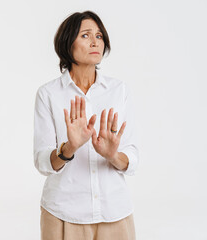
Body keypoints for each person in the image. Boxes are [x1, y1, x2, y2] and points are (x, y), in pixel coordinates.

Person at [33, 10, 139, 240]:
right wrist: (69, 148)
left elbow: (132, 156)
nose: (95, 42)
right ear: (67, 43)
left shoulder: (119, 91)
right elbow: (42, 161)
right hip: (62, 213)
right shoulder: (48, 94)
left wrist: (113, 155)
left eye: (99, 36)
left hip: (114, 212)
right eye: (85, 35)